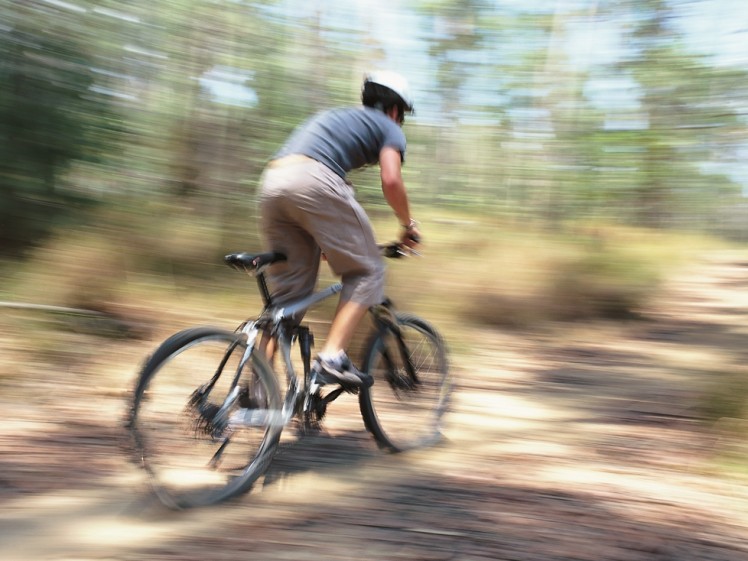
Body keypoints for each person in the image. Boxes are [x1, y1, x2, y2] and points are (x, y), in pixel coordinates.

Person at [259, 71, 421, 390]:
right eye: (401, 116)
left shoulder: (340, 118)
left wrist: (326, 238)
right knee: (369, 271)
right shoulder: (389, 128)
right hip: (312, 180)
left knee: (289, 301)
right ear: (394, 110)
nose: (400, 122)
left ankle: (256, 393)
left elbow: (320, 181)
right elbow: (391, 180)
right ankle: (331, 357)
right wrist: (407, 225)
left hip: (272, 183)